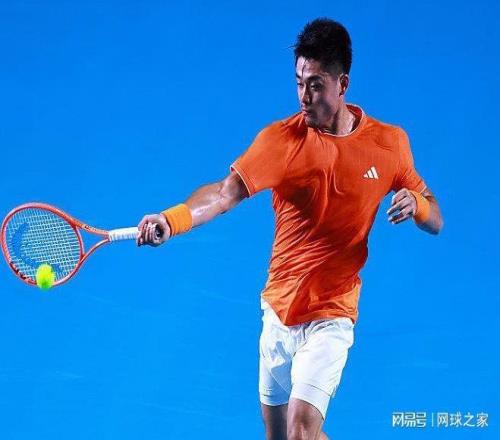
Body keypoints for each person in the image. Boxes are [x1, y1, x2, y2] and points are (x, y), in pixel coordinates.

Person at [136, 18, 443, 440]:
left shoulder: (389, 144)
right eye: (299, 83)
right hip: (279, 310)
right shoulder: (281, 141)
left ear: (343, 84)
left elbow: (436, 218)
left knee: (301, 431)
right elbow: (224, 194)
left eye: (315, 85)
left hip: (333, 311)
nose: (304, 96)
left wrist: (419, 205)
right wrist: (172, 220)